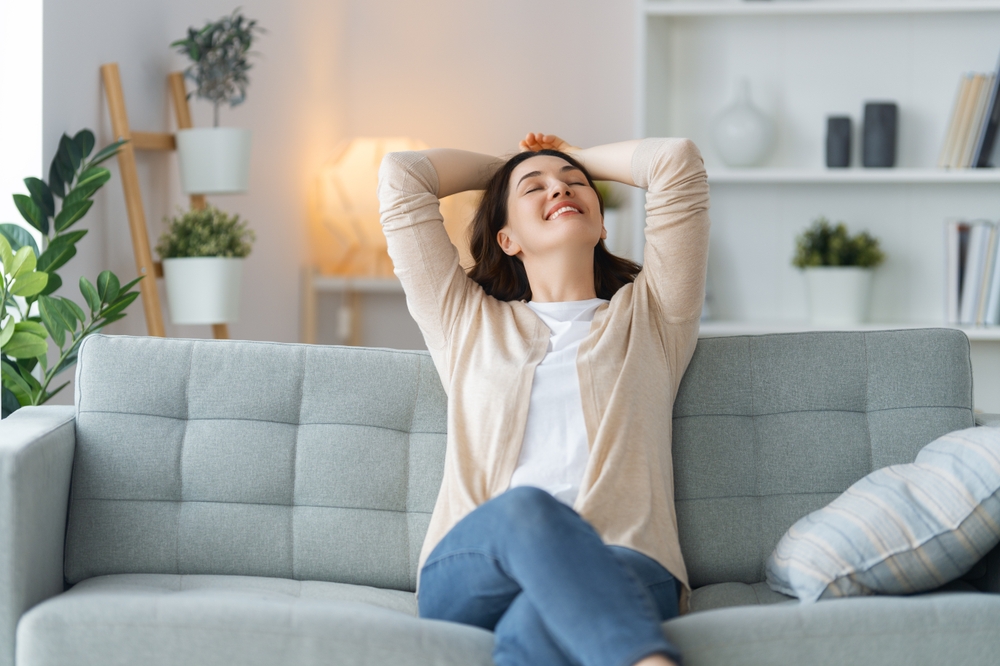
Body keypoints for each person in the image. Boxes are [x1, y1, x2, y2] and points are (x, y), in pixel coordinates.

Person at [377, 133, 710, 666]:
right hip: (477, 563)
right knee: (529, 508)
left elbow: (676, 162)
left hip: (624, 558)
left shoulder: (653, 317)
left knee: (536, 620)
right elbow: (402, 176)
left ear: (602, 226)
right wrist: (513, 164)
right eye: (536, 189)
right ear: (507, 239)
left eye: (577, 184)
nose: (560, 188)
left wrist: (561, 160)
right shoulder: (465, 322)